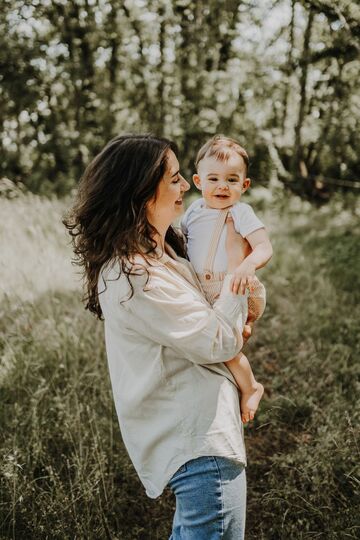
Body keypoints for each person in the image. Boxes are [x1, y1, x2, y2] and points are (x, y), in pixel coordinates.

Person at [64, 134, 253, 539]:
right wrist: (238, 271)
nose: (186, 185)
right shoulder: (134, 274)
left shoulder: (162, 254)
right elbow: (219, 340)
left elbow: (224, 321)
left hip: (206, 437)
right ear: (140, 192)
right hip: (200, 444)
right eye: (174, 178)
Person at [181, 135, 273, 423]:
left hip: (233, 285)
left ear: (244, 185)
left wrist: (247, 265)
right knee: (208, 341)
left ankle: (251, 387)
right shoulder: (193, 211)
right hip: (202, 289)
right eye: (214, 179)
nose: (222, 186)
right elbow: (184, 243)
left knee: (227, 349)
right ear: (198, 181)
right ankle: (241, 329)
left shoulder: (241, 212)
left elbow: (264, 246)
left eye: (232, 180)